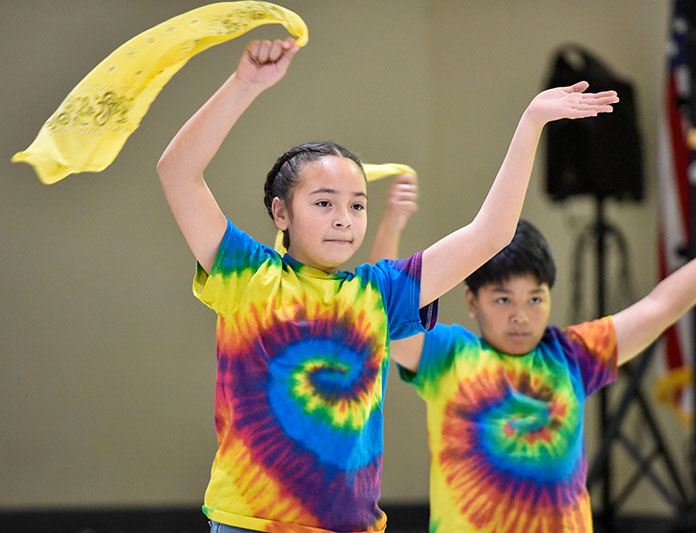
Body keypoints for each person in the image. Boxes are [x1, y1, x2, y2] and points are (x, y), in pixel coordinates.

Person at [156, 36, 617, 533]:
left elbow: (491, 234)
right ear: (280, 212)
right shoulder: (247, 276)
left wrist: (531, 122)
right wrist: (245, 84)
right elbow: (178, 173)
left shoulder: (381, 292)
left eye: (357, 204)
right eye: (324, 202)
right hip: (248, 523)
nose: (344, 219)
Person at [387, 191, 696, 532]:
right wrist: (392, 224)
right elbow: (383, 319)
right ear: (472, 301)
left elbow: (661, 305)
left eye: (536, 298)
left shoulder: (572, 355)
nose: (520, 315)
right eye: (503, 299)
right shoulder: (449, 356)